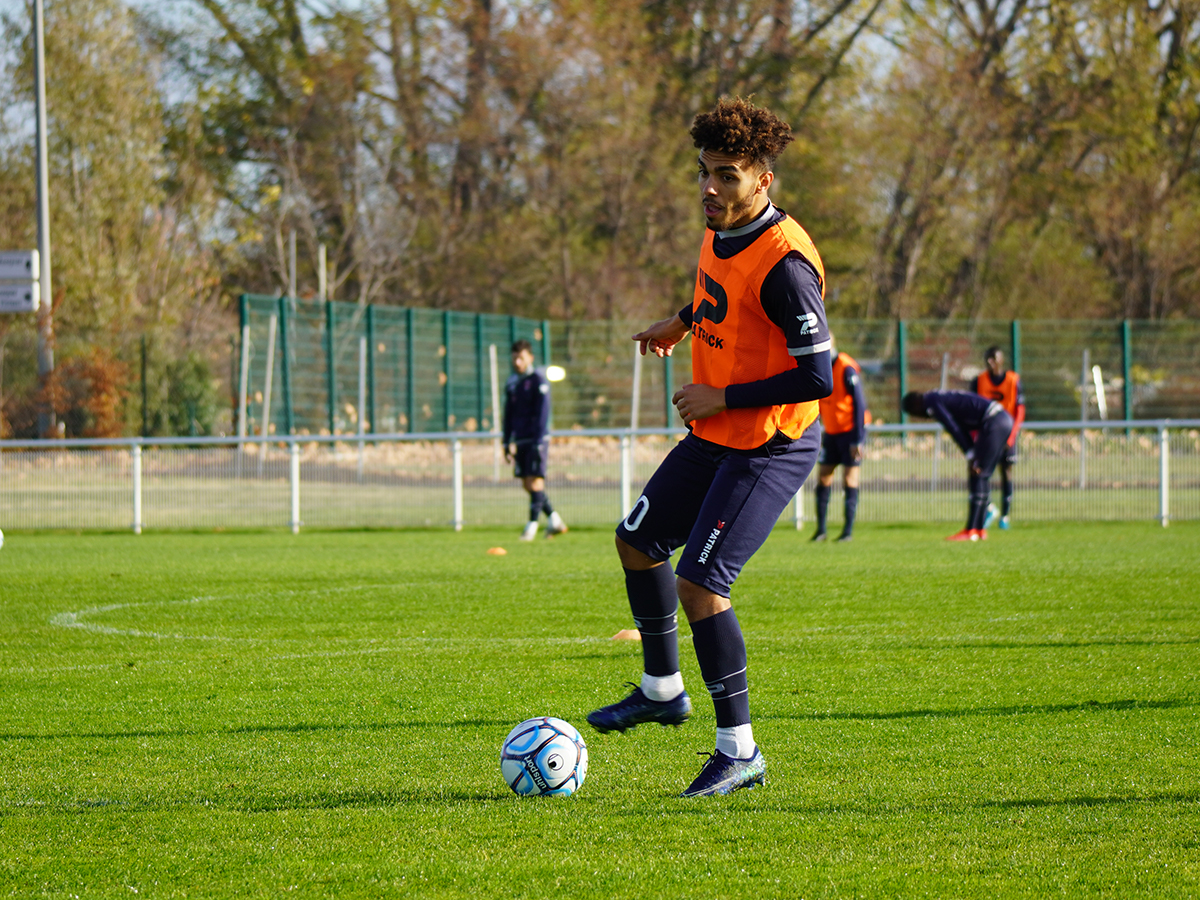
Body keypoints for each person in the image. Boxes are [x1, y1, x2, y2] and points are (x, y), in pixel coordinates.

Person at [585, 97, 833, 797]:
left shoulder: (787, 264)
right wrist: (682, 322)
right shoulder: (718, 231)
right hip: (716, 433)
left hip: (769, 444)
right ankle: (662, 689)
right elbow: (720, 293)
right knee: (635, 540)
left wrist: (722, 396)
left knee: (701, 583)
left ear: (763, 180)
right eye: (705, 173)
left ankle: (739, 751)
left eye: (728, 176)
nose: (711, 188)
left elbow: (817, 374)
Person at [901, 389, 1014, 541]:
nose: (921, 417)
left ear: (916, 404)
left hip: (994, 421)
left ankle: (971, 530)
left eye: (915, 413)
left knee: (978, 472)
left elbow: (953, 427)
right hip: (1002, 419)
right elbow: (960, 427)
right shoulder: (938, 397)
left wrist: (970, 453)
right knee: (982, 473)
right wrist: (972, 452)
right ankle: (979, 529)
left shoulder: (931, 402)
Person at [502, 339, 567, 541]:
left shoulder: (538, 380)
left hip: (536, 439)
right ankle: (555, 520)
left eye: (521, 358)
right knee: (527, 484)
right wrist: (506, 441)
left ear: (530, 357)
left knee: (535, 482)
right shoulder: (512, 383)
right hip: (520, 439)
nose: (517, 362)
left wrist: (539, 441)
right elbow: (508, 414)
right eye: (514, 358)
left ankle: (531, 527)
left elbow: (542, 413)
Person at [812, 338, 868, 542]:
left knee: (849, 479)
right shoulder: (819, 366)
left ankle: (847, 531)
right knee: (824, 476)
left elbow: (860, 404)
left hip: (851, 432)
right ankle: (821, 530)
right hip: (832, 432)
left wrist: (858, 440)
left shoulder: (846, 368)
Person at [974, 346, 1025, 529]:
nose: (990, 362)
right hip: (987, 435)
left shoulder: (1013, 380)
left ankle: (1005, 516)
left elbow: (1020, 410)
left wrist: (1011, 436)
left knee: (1006, 472)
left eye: (993, 358)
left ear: (1001, 360)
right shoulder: (979, 381)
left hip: (1007, 433)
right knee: (982, 472)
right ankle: (988, 508)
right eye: (987, 358)